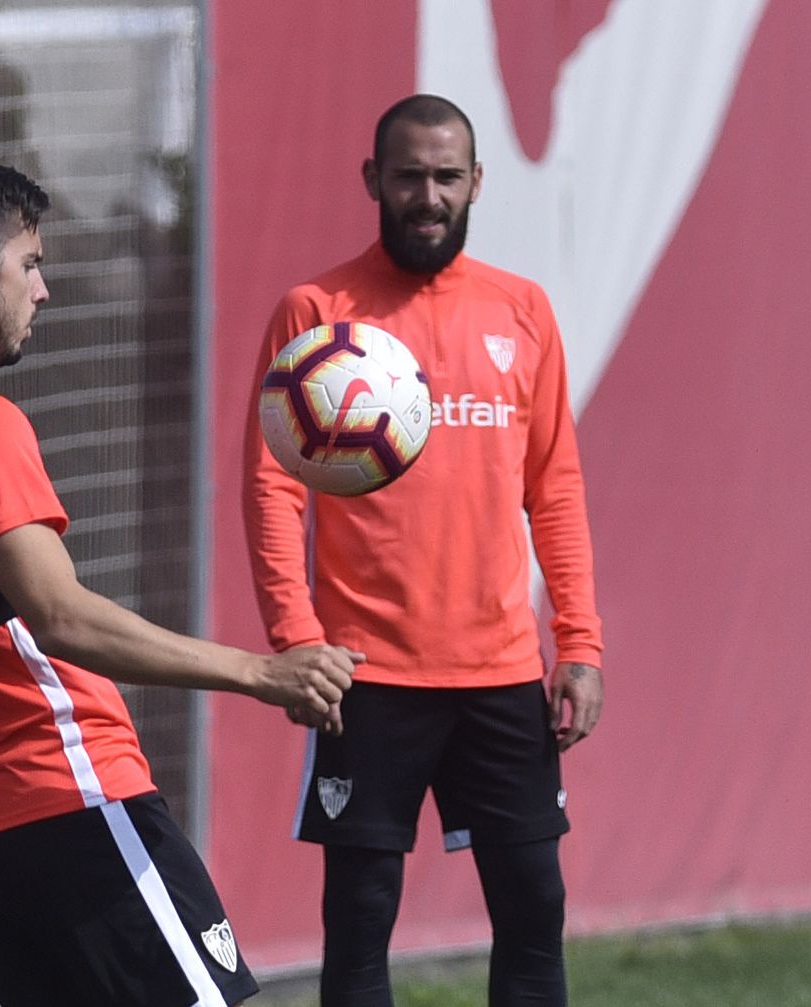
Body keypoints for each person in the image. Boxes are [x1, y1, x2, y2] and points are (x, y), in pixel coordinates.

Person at [0, 149, 360, 1007]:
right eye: (29, 264)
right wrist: (261, 671)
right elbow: (60, 616)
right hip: (69, 800)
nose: (43, 289)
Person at [242, 95, 605, 1006]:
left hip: (502, 674)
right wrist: (296, 638)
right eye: (409, 176)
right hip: (366, 675)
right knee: (360, 919)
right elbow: (273, 488)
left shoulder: (522, 312)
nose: (428, 196)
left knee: (535, 909)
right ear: (374, 181)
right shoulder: (317, 313)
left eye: (447, 176)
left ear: (477, 182)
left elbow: (554, 490)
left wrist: (582, 646)